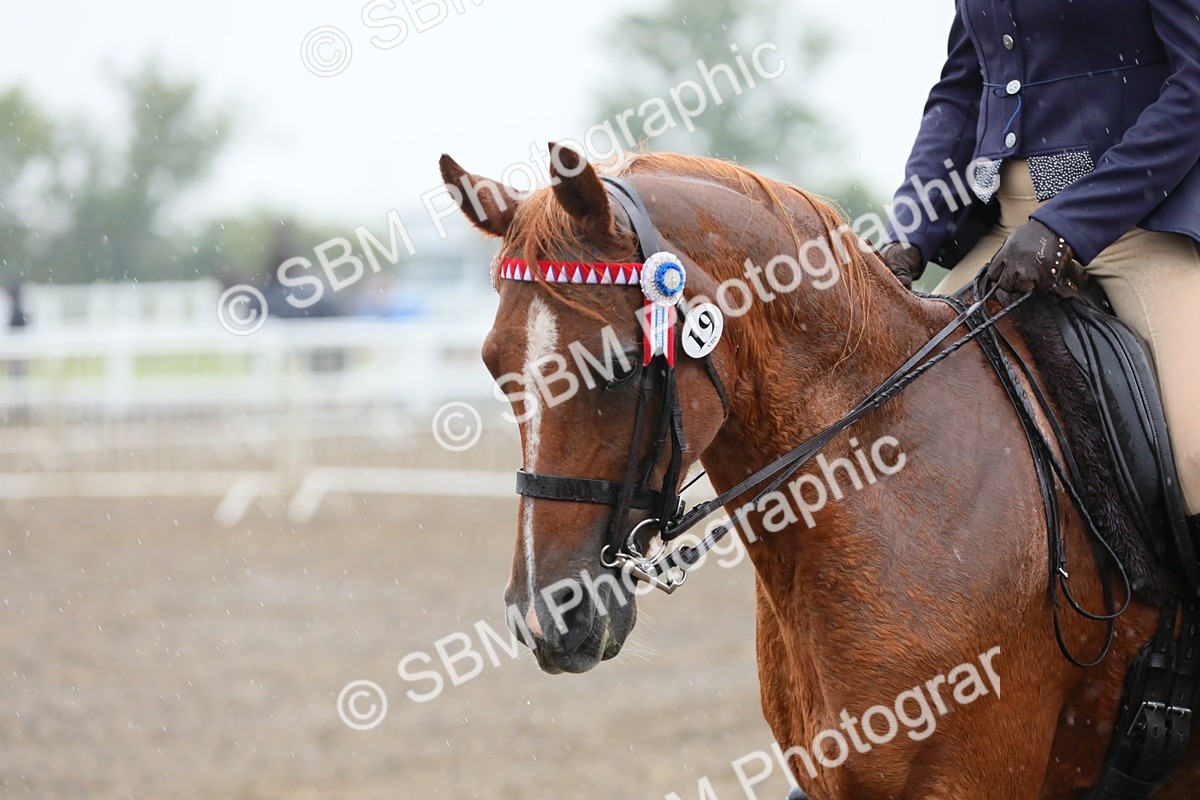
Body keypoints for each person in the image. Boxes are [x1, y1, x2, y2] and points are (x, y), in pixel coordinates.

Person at [879, 2, 1200, 538]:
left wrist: (1067, 224)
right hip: (1008, 233)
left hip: (1139, 223)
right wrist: (908, 234)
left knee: (1195, 454)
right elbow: (962, 93)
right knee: (889, 411)